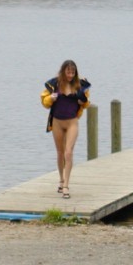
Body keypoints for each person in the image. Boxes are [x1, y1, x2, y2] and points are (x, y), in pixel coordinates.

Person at [41, 60, 91, 199]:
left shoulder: (79, 86)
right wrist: (50, 98)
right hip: (57, 122)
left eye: (72, 72)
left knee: (68, 153)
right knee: (60, 152)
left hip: (72, 123)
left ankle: (66, 186)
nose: (70, 75)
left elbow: (86, 103)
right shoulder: (54, 84)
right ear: (63, 71)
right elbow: (44, 102)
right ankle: (61, 179)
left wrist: (83, 102)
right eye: (68, 72)